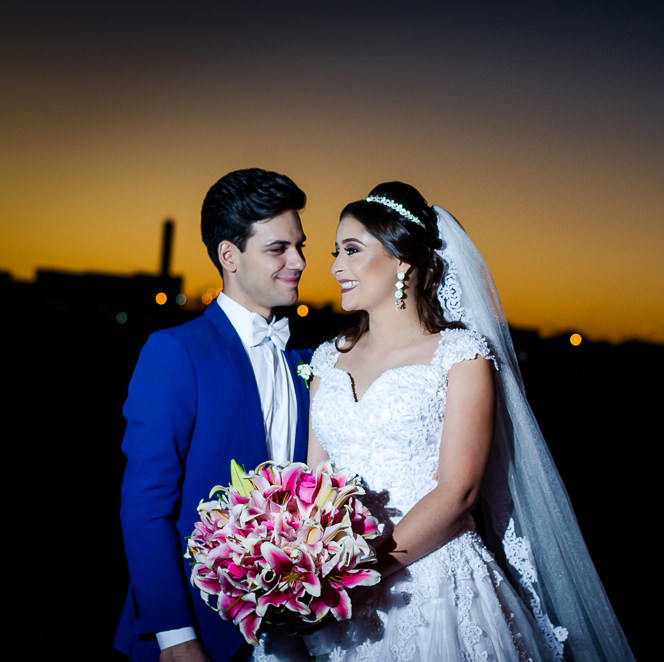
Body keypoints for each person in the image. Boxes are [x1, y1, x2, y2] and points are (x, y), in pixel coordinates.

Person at [255, 182, 634, 661]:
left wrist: (353, 572)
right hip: (332, 593)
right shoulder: (329, 360)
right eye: (335, 252)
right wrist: (302, 569)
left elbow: (459, 494)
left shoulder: (460, 356)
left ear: (402, 261)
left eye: (351, 250)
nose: (333, 267)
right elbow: (314, 483)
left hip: (430, 586)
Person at [114, 168, 314, 662]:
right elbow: (145, 506)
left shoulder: (308, 361)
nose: (300, 262)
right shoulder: (175, 352)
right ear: (229, 255)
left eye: (300, 246)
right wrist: (175, 636)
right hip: (200, 629)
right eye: (278, 249)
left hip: (297, 627)